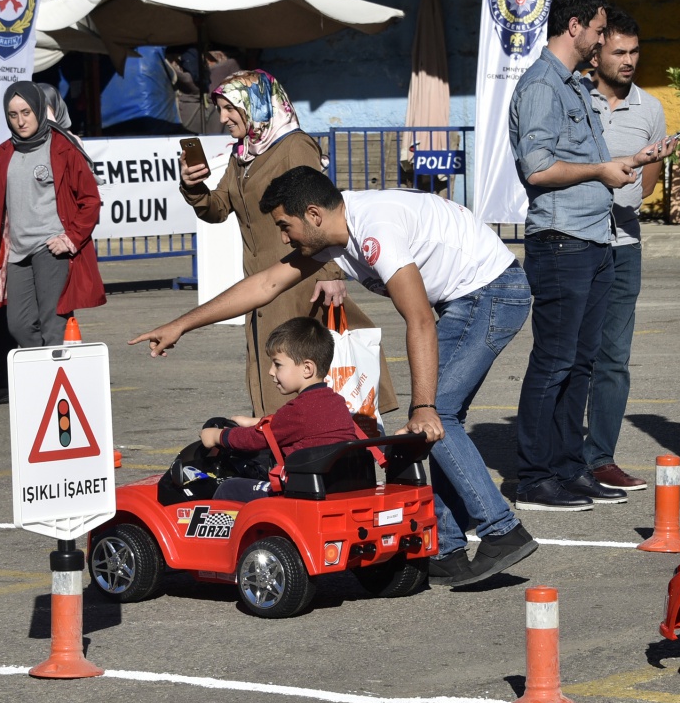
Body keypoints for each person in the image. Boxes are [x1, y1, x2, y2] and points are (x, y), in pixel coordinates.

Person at [131, 166, 535, 588]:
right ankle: (449, 550)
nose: (284, 239)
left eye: (285, 226)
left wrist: (423, 404)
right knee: (434, 423)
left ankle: (502, 530)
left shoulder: (375, 231)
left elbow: (418, 320)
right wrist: (181, 324)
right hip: (468, 299)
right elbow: (265, 284)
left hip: (491, 292)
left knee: (436, 415)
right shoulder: (334, 235)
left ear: (313, 215)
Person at [509, 0, 675, 512]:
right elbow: (538, 169)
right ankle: (534, 477)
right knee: (554, 362)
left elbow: (588, 162)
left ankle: (568, 468)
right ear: (575, 26)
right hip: (562, 241)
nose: (604, 41)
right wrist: (603, 170)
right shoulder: (542, 86)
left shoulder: (573, 86)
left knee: (581, 363)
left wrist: (631, 162)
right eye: (600, 31)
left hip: (596, 236)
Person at [179, 69, 396, 419]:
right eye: (220, 109)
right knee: (273, 371)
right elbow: (217, 209)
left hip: (300, 282)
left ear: (255, 104)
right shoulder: (242, 154)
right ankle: (287, 443)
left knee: (299, 371)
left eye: (230, 108)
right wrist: (193, 186)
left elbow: (319, 210)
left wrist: (331, 273)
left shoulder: (294, 146)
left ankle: (318, 441)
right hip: (261, 288)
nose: (223, 118)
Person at [584, 8, 667, 492]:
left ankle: (601, 458)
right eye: (619, 52)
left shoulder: (650, 109)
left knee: (613, 357)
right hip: (576, 244)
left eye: (635, 51)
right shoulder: (575, 97)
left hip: (625, 245)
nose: (629, 60)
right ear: (597, 54)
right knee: (572, 355)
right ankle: (561, 458)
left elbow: (648, 182)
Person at [0, 81, 106, 349]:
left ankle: (57, 374)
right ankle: (41, 368)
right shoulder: (4, 152)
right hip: (18, 252)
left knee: (53, 324)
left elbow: (90, 199)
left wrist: (70, 238)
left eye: (26, 112)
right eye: (13, 115)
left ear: (39, 110)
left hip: (51, 248)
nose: (20, 121)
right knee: (18, 324)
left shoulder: (63, 146)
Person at [200, 316, 360, 503]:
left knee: (229, 488)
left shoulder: (299, 410)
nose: (271, 371)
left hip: (303, 494)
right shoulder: (335, 402)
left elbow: (255, 439)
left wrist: (219, 436)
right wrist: (254, 422)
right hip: (336, 485)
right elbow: (299, 426)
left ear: (307, 369)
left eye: (277, 364)